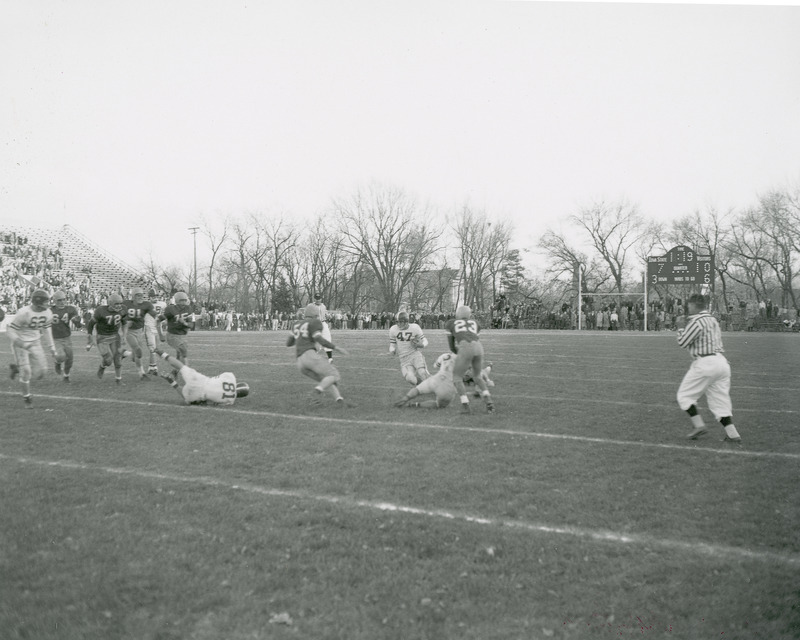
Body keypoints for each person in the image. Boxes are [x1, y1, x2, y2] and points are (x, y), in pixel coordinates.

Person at [676, 293, 742, 444]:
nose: (688, 308)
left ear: (693, 305)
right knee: (720, 400)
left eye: (689, 306)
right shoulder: (712, 319)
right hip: (721, 362)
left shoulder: (697, 321)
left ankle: (699, 425)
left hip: (706, 363)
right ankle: (733, 435)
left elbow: (683, 342)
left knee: (684, 396)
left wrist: (680, 328)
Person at [287, 303, 349, 405]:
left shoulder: (296, 324)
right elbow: (319, 339)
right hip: (309, 356)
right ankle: (314, 394)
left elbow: (288, 343)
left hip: (299, 362)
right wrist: (336, 348)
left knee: (326, 380)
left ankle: (339, 400)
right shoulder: (314, 322)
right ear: (316, 314)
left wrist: (300, 338)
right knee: (334, 374)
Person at [7, 289, 57, 408]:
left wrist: (52, 348)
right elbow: (10, 330)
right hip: (21, 343)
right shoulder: (24, 313)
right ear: (38, 302)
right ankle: (27, 398)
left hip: (35, 342)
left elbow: (46, 330)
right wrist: (21, 343)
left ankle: (17, 367)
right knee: (27, 372)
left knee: (42, 372)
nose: (47, 304)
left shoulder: (47, 312)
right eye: (45, 301)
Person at [153, 348, 249, 405]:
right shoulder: (230, 401)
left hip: (202, 380)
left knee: (181, 367)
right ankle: (172, 382)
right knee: (187, 397)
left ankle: (161, 353)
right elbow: (214, 403)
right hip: (201, 395)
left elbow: (218, 378)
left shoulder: (231, 377)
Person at [444, 305, 494, 414]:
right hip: (479, 347)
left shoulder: (450, 323)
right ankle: (489, 402)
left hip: (465, 347)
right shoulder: (476, 323)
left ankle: (466, 406)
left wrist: (461, 355)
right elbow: (474, 337)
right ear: (469, 315)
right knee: (477, 377)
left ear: (457, 314)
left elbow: (452, 346)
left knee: (457, 377)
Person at [86, 292, 130, 384]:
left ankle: (118, 379)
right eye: (116, 304)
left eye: (120, 303)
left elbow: (125, 323)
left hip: (115, 335)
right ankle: (102, 366)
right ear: (110, 303)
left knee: (117, 359)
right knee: (108, 360)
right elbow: (90, 324)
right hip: (102, 337)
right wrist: (90, 337)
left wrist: (124, 336)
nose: (119, 306)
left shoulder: (123, 310)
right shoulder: (101, 310)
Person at [123, 287, 157, 380]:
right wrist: (125, 322)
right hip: (129, 331)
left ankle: (125, 353)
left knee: (136, 355)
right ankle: (141, 373)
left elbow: (154, 315)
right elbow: (119, 315)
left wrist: (161, 319)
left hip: (140, 331)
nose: (140, 297)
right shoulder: (126, 304)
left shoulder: (146, 305)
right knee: (138, 351)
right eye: (138, 295)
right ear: (133, 296)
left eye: (141, 295)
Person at [388, 310, 430, 385]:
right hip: (404, 358)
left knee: (422, 372)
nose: (398, 324)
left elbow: (425, 340)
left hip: (415, 355)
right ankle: (422, 385)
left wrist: (421, 345)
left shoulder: (415, 327)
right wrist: (392, 350)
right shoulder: (393, 329)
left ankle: (437, 385)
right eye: (397, 322)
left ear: (406, 321)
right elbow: (392, 344)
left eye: (401, 322)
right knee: (409, 378)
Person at [50, 290, 81, 382]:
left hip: (66, 337)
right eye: (59, 300)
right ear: (55, 301)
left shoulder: (70, 309)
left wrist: (77, 321)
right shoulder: (49, 310)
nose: (62, 302)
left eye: (64, 299)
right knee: (61, 356)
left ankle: (66, 375)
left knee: (70, 359)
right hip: (55, 338)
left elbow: (78, 325)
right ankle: (58, 363)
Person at [158, 291, 194, 366]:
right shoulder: (170, 309)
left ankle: (173, 374)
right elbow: (158, 320)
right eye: (181, 301)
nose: (183, 303)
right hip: (172, 335)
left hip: (183, 335)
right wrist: (160, 334)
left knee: (180, 355)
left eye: (185, 300)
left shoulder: (189, 309)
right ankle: (187, 372)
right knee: (183, 350)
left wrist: (184, 323)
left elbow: (191, 325)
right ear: (176, 301)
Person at [144, 289, 168, 375]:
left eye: (156, 296)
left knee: (157, 349)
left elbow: (164, 314)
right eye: (153, 297)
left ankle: (153, 366)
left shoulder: (162, 304)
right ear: (149, 297)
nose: (155, 298)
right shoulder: (146, 305)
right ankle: (153, 367)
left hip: (158, 327)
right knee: (152, 348)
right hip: (149, 328)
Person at [313, 292, 333, 362]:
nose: (318, 300)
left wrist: (328, 315)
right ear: (314, 299)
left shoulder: (323, 306)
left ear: (321, 299)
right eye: (316, 298)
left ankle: (330, 358)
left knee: (327, 338)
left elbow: (325, 314)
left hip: (323, 323)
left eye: (319, 298)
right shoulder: (311, 306)